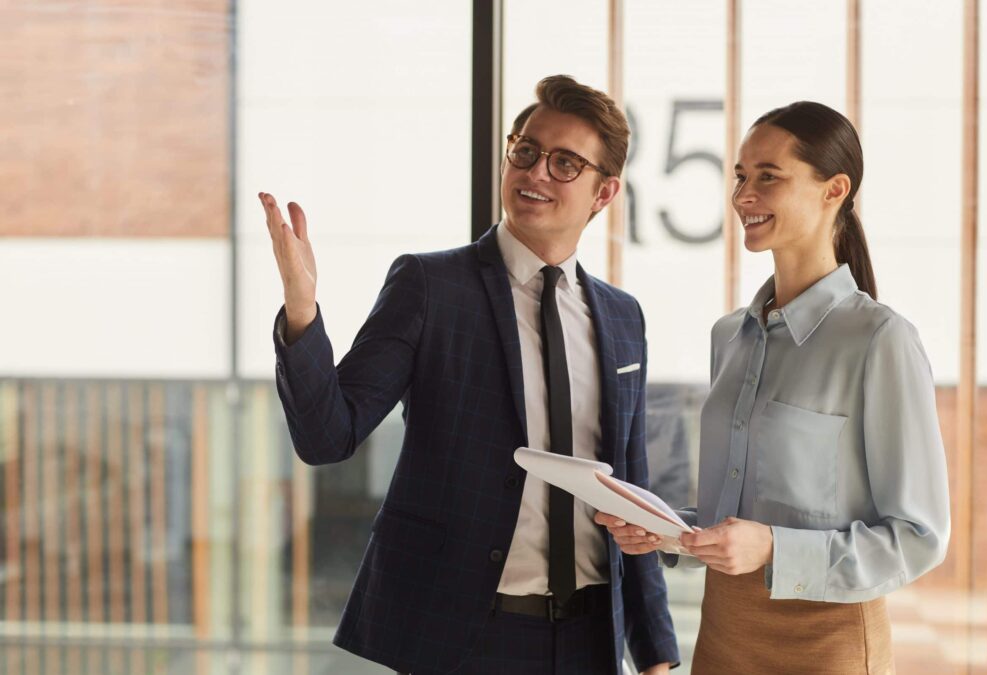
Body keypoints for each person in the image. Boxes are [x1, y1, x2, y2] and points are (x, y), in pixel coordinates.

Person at [260, 74, 679, 675]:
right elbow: (328, 437)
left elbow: (629, 485)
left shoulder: (621, 316)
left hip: (592, 640)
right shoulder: (430, 286)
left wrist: (656, 653)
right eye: (526, 151)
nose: (535, 173)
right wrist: (302, 311)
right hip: (466, 637)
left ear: (604, 192)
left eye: (564, 163)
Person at [597, 101, 950, 673]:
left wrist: (775, 550)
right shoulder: (729, 337)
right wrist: (669, 531)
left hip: (827, 643)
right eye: (740, 176)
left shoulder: (881, 340)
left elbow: (919, 537)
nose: (742, 196)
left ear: (834, 189)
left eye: (768, 177)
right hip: (724, 635)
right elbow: (740, 517)